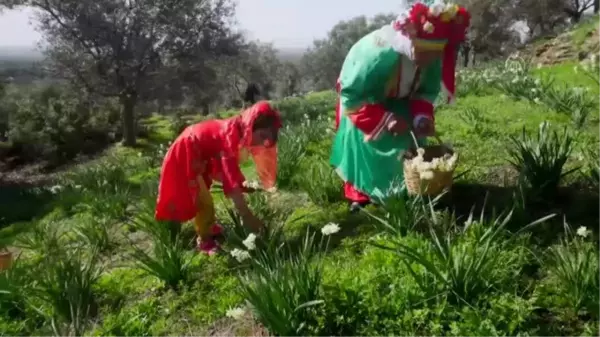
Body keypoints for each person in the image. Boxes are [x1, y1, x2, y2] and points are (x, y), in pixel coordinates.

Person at [331, 1, 470, 212]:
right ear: (408, 44)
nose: (429, 60)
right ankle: (362, 194)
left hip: (399, 100)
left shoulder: (431, 57)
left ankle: (405, 189)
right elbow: (353, 97)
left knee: (410, 142)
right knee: (366, 143)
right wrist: (386, 119)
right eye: (423, 53)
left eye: (435, 54)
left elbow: (425, 91)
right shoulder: (375, 56)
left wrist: (421, 118)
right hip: (364, 101)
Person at [155, 101, 281, 254]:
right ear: (251, 126)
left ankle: (209, 226)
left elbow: (230, 174)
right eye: (261, 136)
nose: (262, 142)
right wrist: (247, 216)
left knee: (204, 197)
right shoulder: (230, 137)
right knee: (204, 202)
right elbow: (230, 181)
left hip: (197, 153)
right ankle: (204, 240)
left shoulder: (237, 130)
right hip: (185, 153)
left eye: (266, 140)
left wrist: (245, 185)